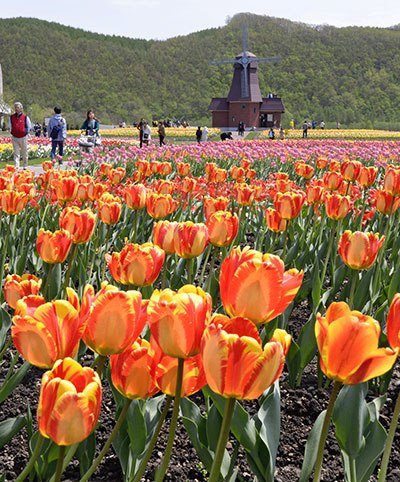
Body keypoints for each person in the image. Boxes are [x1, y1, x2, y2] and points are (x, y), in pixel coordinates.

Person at [10, 102, 31, 169]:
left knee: (24, 152)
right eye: (15, 107)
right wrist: (12, 131)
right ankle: (17, 166)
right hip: (15, 137)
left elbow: (29, 126)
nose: (16, 109)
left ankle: (25, 165)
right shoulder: (11, 117)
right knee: (16, 153)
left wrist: (26, 132)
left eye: (18, 107)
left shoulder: (25, 117)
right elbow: (10, 125)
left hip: (23, 137)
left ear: (21, 108)